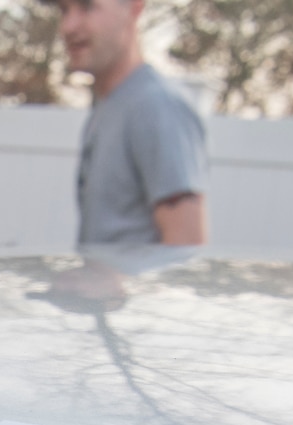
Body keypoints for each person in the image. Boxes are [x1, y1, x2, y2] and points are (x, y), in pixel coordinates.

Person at [55, 0, 208, 246]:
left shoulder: (156, 106)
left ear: (135, 7)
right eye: (64, 10)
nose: (68, 26)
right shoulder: (108, 108)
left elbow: (185, 249)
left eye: (87, 6)